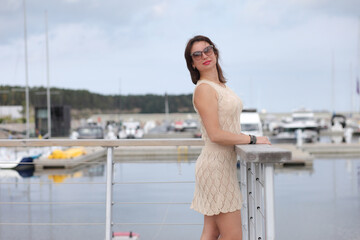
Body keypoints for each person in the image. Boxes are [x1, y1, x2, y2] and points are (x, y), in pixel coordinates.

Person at [184, 35, 271, 240]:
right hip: (215, 168)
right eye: (197, 54)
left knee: (212, 232)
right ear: (193, 63)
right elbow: (215, 134)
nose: (204, 56)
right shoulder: (204, 89)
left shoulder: (220, 86)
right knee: (233, 236)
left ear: (215, 52)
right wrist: (252, 139)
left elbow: (226, 126)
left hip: (221, 166)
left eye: (208, 50)